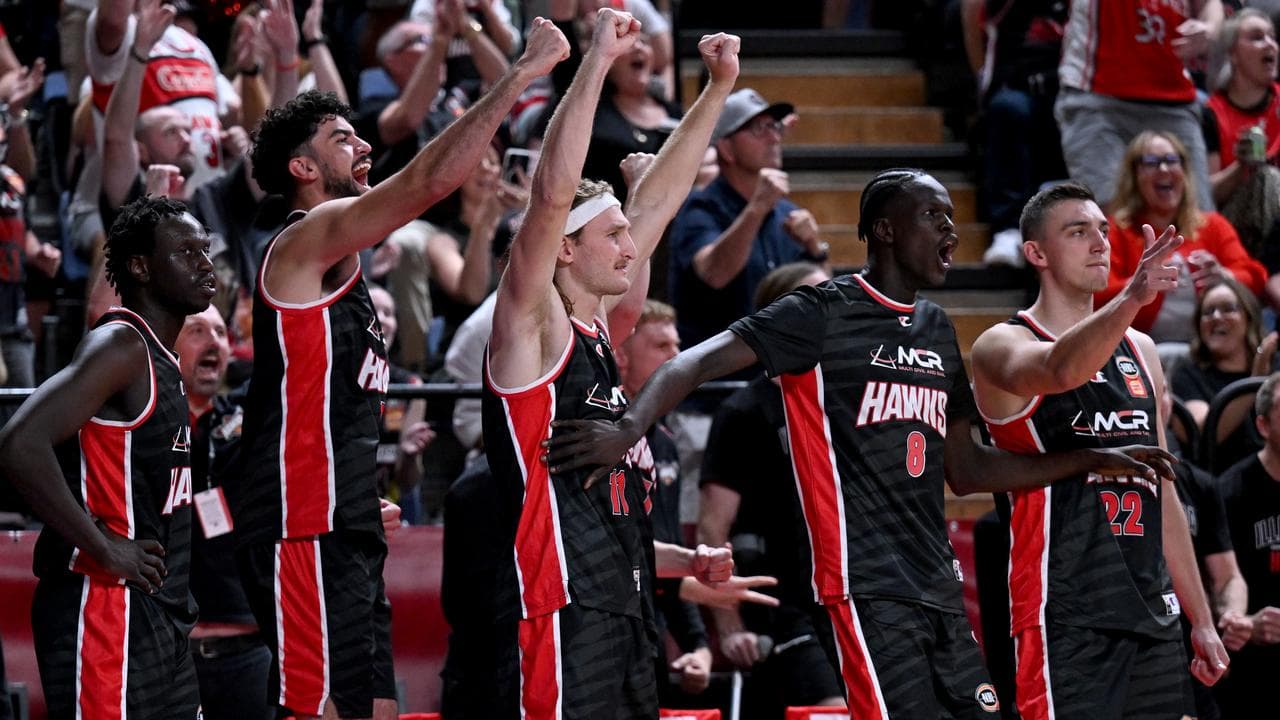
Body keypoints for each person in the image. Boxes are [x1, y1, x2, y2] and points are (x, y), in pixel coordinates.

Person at [546, 168, 1175, 717]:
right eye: (933, 217)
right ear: (885, 230)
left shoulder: (935, 328)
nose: (950, 232)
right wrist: (629, 426)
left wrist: (1087, 459)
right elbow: (693, 364)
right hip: (862, 584)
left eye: (953, 218)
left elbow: (968, 468)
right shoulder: (820, 311)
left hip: (936, 584)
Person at [234, 18, 570, 719]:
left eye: (358, 134)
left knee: (380, 709)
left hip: (344, 522)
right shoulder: (303, 241)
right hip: (301, 522)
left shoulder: (347, 271)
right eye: (341, 140)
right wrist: (520, 74)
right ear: (302, 168)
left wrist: (358, 495)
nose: (362, 145)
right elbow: (426, 181)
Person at [468, 10, 739, 715]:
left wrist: (715, 89)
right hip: (561, 606)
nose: (631, 244)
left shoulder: (596, 334)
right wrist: (595, 62)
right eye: (613, 234)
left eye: (629, 234)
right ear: (563, 247)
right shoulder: (536, 324)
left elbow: (663, 199)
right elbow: (555, 194)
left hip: (626, 609)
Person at [970, 182, 1230, 719]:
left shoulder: (1144, 350)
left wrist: (1199, 618)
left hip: (1150, 610)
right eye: (1077, 231)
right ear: (1036, 253)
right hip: (1063, 609)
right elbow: (1060, 370)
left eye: (1103, 231)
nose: (1098, 243)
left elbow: (1163, 490)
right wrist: (1132, 298)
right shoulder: (1002, 343)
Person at [0, 195, 216, 718]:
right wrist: (102, 546)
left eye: (205, 250)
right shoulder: (120, 345)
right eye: (186, 252)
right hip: (104, 608)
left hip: (158, 616)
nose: (204, 264)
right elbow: (18, 443)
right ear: (140, 266)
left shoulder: (162, 358)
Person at [696, 262, 845, 718]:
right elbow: (712, 525)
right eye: (816, 299)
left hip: (845, 597)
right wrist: (729, 624)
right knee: (832, 711)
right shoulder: (744, 412)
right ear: (780, 315)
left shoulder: (841, 403)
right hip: (781, 604)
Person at [667, 87, 828, 351]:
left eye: (775, 127)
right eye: (758, 129)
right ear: (727, 149)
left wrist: (815, 248)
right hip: (716, 380)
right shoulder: (699, 208)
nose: (774, 137)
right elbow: (714, 273)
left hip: (775, 371)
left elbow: (822, 299)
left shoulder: (787, 212)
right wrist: (756, 209)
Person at [614, 299, 714, 699]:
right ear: (620, 356)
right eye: (661, 347)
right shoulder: (602, 440)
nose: (677, 357)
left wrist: (699, 647)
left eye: (678, 345)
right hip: (597, 639)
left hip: (647, 639)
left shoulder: (666, 446)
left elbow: (664, 560)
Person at [176, 306, 272, 720]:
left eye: (219, 331)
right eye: (196, 331)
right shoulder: (144, 427)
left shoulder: (249, 423)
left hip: (249, 652)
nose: (214, 340)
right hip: (171, 658)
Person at [1096, 130, 1266, 344]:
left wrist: (1224, 277)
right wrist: (1140, 283)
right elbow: (1095, 296)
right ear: (1134, 175)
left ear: (1185, 172)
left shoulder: (1213, 225)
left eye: (1171, 160)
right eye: (1151, 162)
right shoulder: (1116, 231)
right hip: (1141, 348)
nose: (1164, 168)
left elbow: (1256, 278)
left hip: (1212, 349)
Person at [1054, 0, 1222, 210]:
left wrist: (1210, 27)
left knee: (1199, 218)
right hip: (1098, 98)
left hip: (1173, 101)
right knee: (1111, 222)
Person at [1216, 372, 1280, 718]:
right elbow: (1216, 581)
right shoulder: (1230, 492)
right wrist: (1243, 623)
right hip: (1248, 659)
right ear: (1263, 425)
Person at [1204, 8, 1280, 268]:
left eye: (1272, 37)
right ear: (1232, 54)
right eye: (1257, 37)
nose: (1270, 43)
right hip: (1237, 225)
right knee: (1266, 179)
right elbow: (1207, 194)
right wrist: (1241, 168)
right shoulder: (1212, 112)